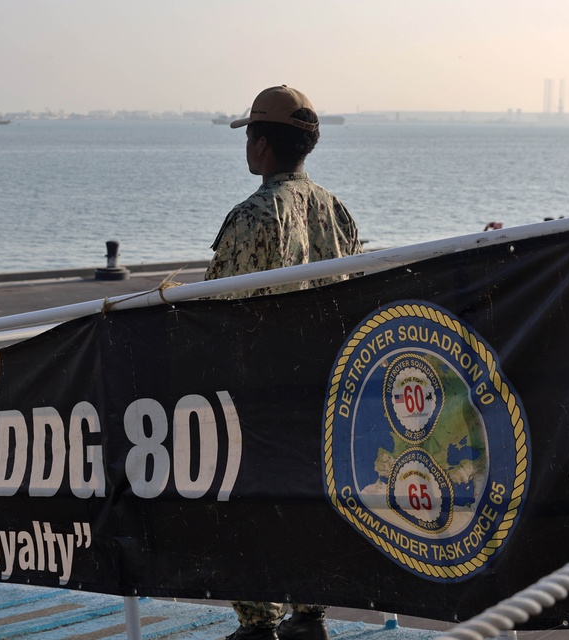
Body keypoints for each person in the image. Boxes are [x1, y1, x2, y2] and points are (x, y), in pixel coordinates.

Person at [206, 85, 362, 640]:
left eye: (250, 134)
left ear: (264, 143)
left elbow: (216, 309)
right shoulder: (336, 210)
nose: (247, 145)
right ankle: (311, 616)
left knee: (247, 507)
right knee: (312, 502)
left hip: (260, 393)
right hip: (327, 389)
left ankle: (258, 622)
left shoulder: (252, 216)